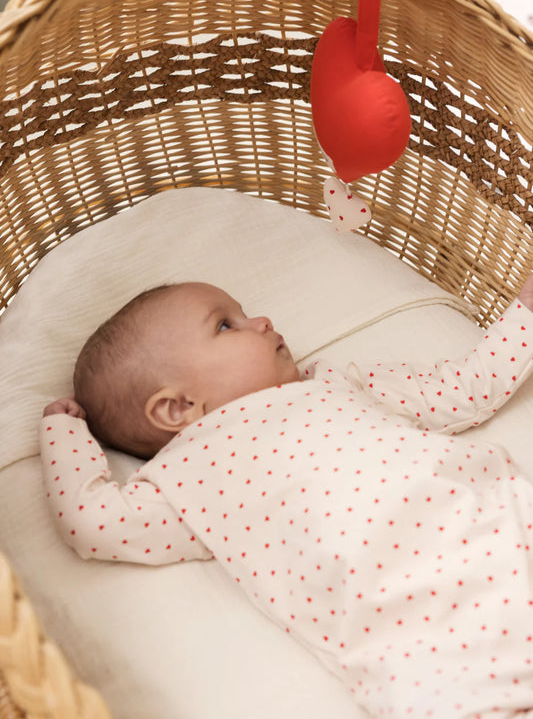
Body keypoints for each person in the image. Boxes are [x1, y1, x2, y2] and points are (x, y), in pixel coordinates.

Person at [40, 277, 533, 717]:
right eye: (226, 325)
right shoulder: (188, 477)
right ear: (177, 407)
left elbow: (461, 387)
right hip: (408, 616)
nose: (262, 321)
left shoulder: (337, 383)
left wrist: (524, 313)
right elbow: (94, 520)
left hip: (498, 517)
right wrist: (65, 431)